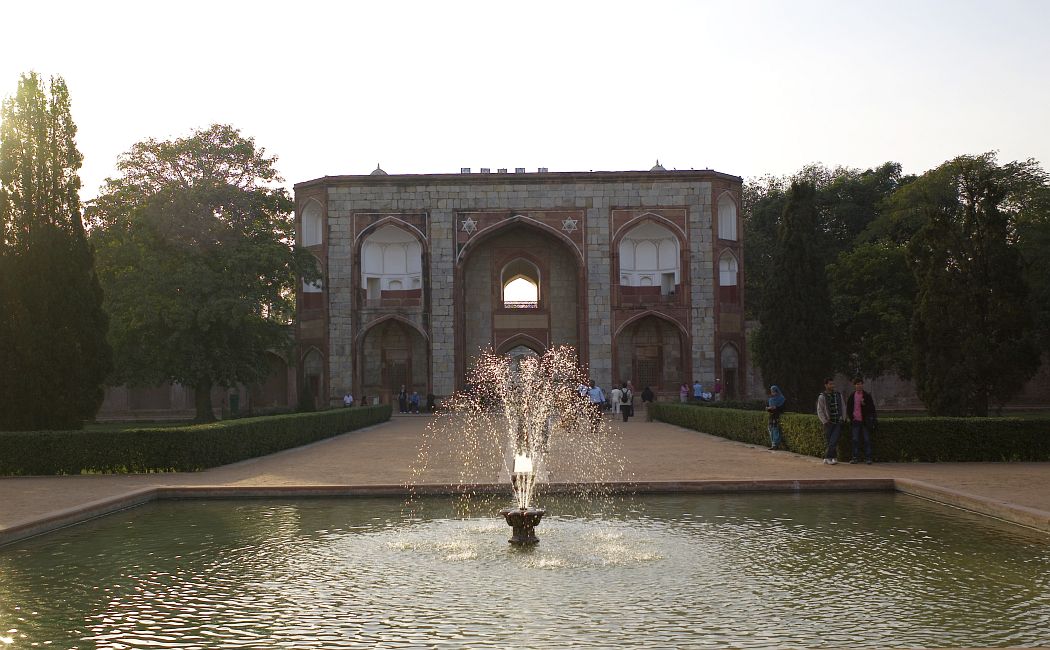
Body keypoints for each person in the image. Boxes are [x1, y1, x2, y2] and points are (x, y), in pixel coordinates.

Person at [846, 377, 877, 464]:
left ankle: (868, 458)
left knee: (867, 439)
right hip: (855, 421)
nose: (859, 385)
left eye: (861, 384)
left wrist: (864, 404)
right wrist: (851, 418)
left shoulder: (867, 396)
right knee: (855, 439)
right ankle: (855, 457)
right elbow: (849, 408)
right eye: (857, 384)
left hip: (865, 422)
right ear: (854, 385)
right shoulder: (852, 396)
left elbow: (872, 409)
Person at [816, 377, 845, 465]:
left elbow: (843, 406)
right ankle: (833, 457)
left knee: (834, 440)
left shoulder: (838, 395)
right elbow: (820, 410)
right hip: (828, 422)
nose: (832, 385)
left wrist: (843, 418)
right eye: (830, 384)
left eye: (833, 384)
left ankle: (827, 457)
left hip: (837, 421)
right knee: (830, 441)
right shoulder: (822, 396)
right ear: (826, 385)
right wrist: (824, 421)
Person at [766, 385, 786, 450]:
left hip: (777, 416)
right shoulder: (771, 399)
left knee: (775, 429)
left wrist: (776, 407)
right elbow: (768, 408)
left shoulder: (781, 399)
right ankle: (773, 444)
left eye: (774, 391)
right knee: (770, 429)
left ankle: (776, 444)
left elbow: (783, 409)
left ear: (777, 391)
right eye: (772, 391)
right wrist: (768, 408)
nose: (773, 393)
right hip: (771, 416)